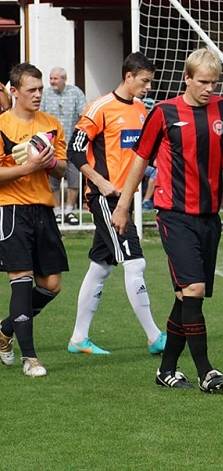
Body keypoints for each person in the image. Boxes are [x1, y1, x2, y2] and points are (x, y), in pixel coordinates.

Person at [111, 48, 223, 393]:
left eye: (214, 83)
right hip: (174, 214)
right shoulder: (164, 112)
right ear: (186, 78)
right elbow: (140, 162)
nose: (208, 89)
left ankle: (167, 369)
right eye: (202, 82)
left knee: (184, 296)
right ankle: (206, 371)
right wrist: (124, 205)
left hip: (209, 216)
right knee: (194, 290)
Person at [66, 52, 165, 355]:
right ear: (129, 76)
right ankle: (155, 337)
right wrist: (100, 182)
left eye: (151, 81)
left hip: (125, 199)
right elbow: (75, 150)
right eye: (145, 81)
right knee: (135, 261)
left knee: (101, 266)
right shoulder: (99, 108)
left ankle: (78, 339)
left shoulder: (140, 110)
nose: (148, 87)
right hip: (106, 199)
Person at [0, 63, 68, 377]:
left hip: (43, 209)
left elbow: (62, 169)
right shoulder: (2, 125)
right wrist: (27, 168)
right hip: (11, 209)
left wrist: (49, 160)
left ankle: (4, 330)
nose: (38, 95)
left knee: (51, 285)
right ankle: (31, 358)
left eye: (40, 89)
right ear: (14, 92)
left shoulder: (51, 124)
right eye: (32, 90)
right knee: (22, 281)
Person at [41, 67, 86, 225]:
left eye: (55, 78)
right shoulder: (45, 94)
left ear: (64, 79)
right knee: (53, 179)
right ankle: (57, 210)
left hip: (72, 143)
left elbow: (83, 115)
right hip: (52, 144)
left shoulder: (75, 93)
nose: (52, 81)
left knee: (74, 178)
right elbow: (40, 115)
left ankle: (69, 210)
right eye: (51, 78)